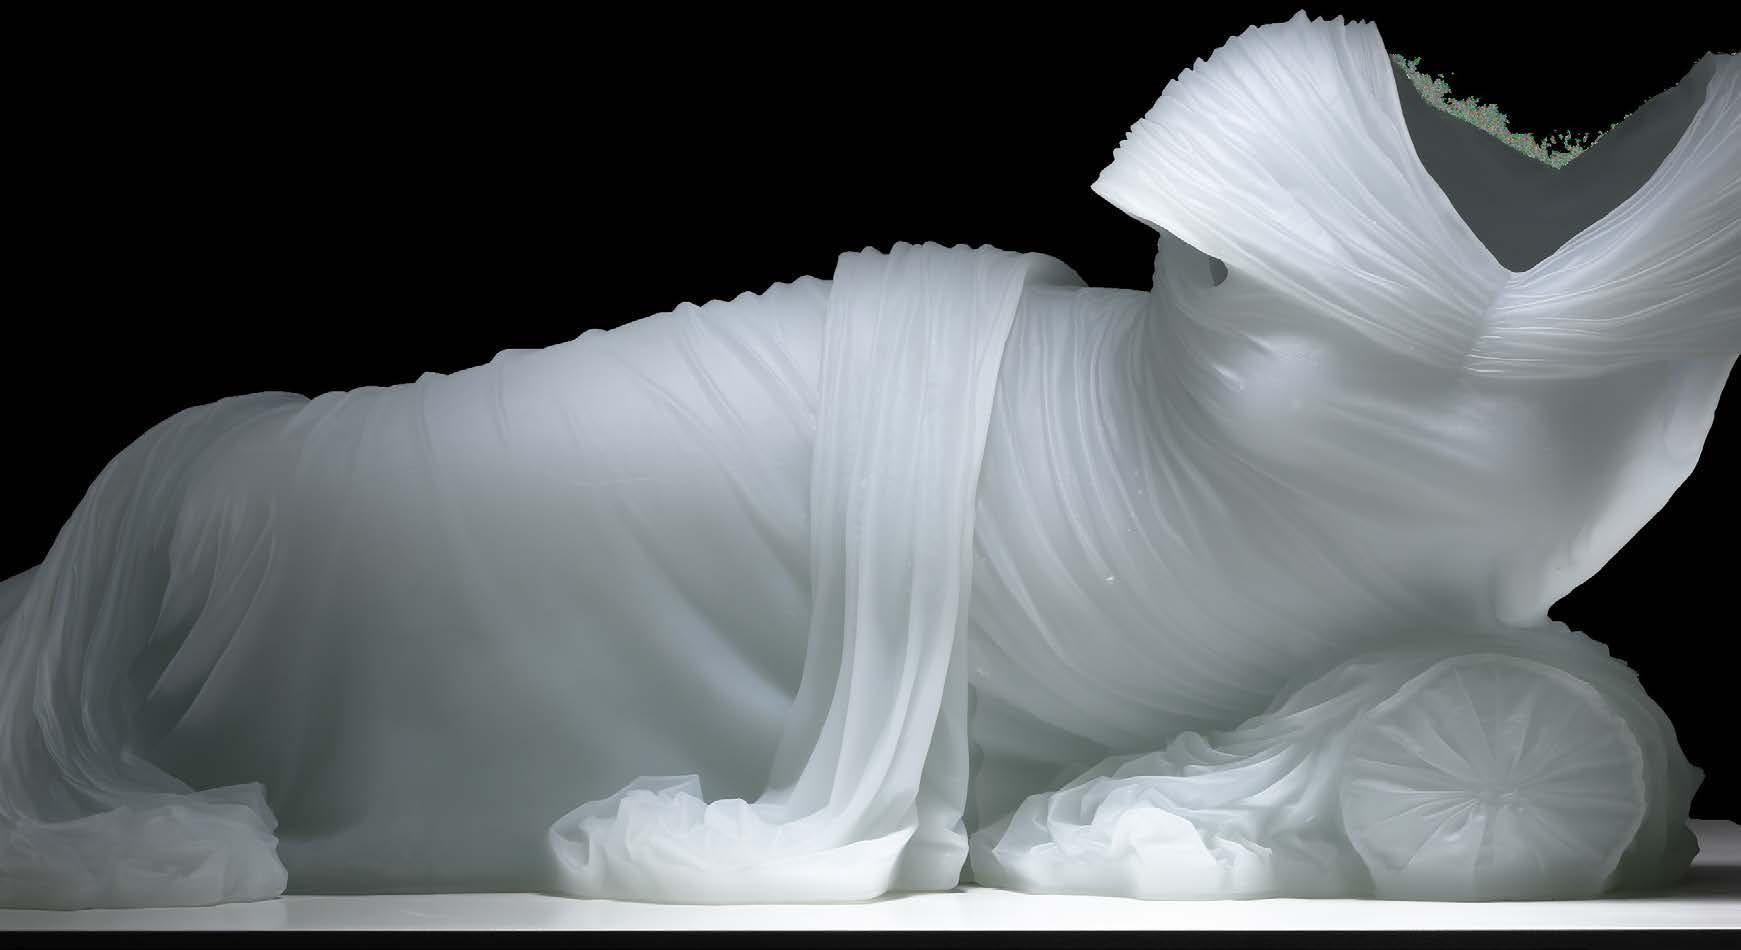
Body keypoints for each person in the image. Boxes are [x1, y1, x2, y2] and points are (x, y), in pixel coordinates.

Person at [2, 12, 1735, 908]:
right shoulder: (1308, 101)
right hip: (915, 420)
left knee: (377, 514)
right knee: (373, 501)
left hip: (1036, 558)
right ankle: (160, 583)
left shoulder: (1683, 256)